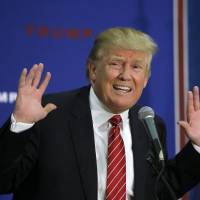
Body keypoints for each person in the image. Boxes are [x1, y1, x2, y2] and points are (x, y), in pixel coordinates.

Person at [0, 27, 200, 200]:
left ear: (146, 79)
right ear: (93, 70)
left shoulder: (150, 124)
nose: (125, 75)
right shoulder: (48, 114)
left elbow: (159, 191)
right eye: (116, 63)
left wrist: (198, 147)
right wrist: (20, 124)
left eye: (136, 67)